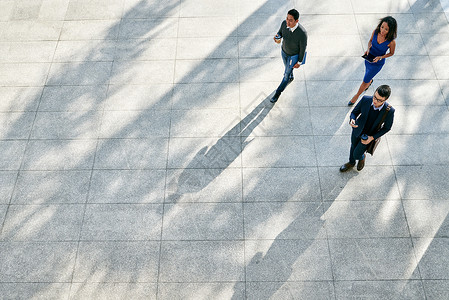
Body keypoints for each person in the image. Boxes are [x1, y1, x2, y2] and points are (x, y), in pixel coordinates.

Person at [340, 85, 395, 172]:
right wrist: (352, 119)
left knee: (357, 154)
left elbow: (387, 128)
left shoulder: (389, 111)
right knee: (353, 146)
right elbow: (354, 112)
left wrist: (372, 138)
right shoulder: (366, 99)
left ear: (386, 99)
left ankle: (361, 157)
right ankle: (351, 163)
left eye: (379, 100)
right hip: (357, 130)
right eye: (375, 97)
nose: (375, 101)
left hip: (369, 136)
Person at [348, 16, 397, 106]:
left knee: (364, 80)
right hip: (368, 58)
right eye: (382, 27)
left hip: (377, 64)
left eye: (386, 29)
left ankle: (356, 96)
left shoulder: (391, 42)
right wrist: (368, 48)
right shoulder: (375, 32)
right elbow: (370, 41)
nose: (382, 30)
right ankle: (369, 82)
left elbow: (391, 53)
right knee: (367, 76)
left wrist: (381, 57)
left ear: (391, 30)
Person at [271, 9, 307, 103]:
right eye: (287, 18)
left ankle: (278, 93)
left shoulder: (302, 33)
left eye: (290, 20)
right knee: (288, 70)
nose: (288, 21)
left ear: (296, 21)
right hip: (284, 52)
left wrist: (299, 62)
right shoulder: (284, 23)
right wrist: (277, 37)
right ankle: (291, 75)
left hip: (293, 57)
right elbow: (280, 33)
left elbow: (303, 49)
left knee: (286, 75)